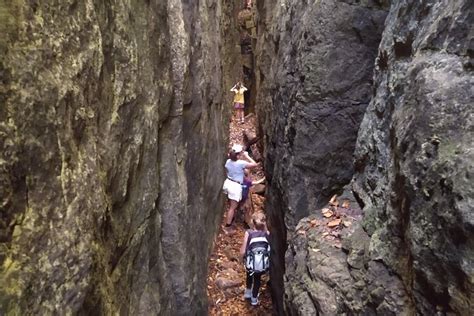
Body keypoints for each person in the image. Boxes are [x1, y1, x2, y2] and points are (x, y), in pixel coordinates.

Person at [222, 144, 258, 233]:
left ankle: (231, 220)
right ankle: (227, 226)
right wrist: (247, 156)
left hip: (228, 183)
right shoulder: (240, 163)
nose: (242, 154)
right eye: (240, 153)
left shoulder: (228, 162)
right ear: (237, 155)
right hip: (235, 186)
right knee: (232, 207)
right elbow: (254, 164)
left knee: (232, 204)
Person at [240, 212, 270, 306]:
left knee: (249, 275)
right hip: (261, 264)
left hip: (250, 262)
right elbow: (267, 232)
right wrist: (265, 226)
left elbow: (243, 250)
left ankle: (248, 293)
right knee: (257, 279)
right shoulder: (266, 234)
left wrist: (241, 258)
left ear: (252, 222)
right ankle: (254, 299)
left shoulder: (249, 233)